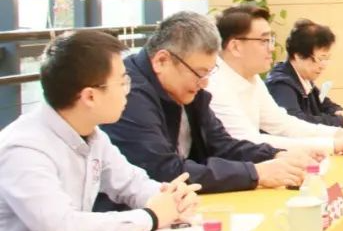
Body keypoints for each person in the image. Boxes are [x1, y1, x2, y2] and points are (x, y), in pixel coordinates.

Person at [0, 31, 199, 231]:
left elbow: (131, 183)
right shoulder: (24, 148)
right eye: (122, 82)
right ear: (90, 96)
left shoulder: (93, 135)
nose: (128, 91)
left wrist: (171, 198)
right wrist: (151, 217)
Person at [100, 12, 314, 198]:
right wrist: (256, 173)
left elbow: (221, 144)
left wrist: (274, 155)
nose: (204, 83)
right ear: (161, 61)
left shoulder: (188, 88)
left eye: (209, 73)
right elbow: (163, 170)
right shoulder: (129, 95)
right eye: (200, 73)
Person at [208, 5, 343, 154]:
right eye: (264, 41)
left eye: (271, 40)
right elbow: (248, 141)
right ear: (235, 47)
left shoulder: (252, 78)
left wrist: (336, 133)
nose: (272, 48)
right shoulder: (214, 84)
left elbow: (282, 124)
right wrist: (331, 144)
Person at [266, 19, 343, 127]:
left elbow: (325, 104)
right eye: (320, 58)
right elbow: (295, 122)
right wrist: (340, 121)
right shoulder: (280, 84)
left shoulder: (305, 80)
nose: (323, 66)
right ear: (298, 55)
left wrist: (338, 112)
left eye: (326, 58)